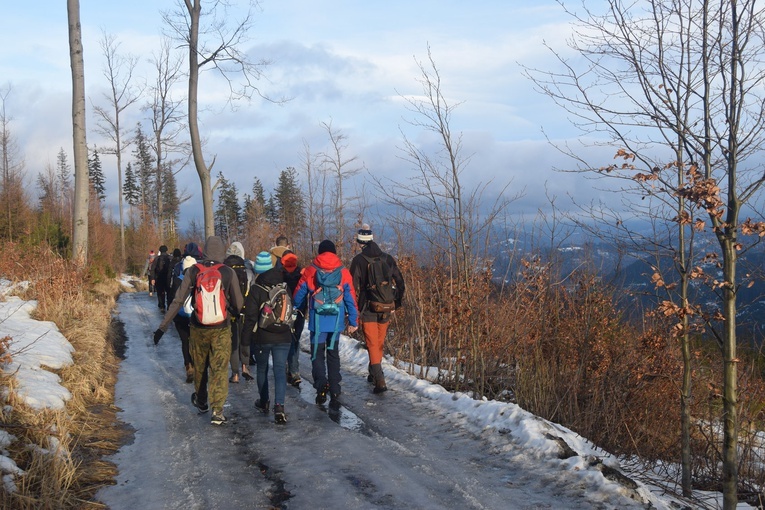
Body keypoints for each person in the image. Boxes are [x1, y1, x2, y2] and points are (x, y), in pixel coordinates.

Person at [153, 236, 244, 426]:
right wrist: (231, 312)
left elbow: (178, 300)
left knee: (201, 367)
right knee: (219, 369)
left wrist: (163, 327)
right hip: (221, 328)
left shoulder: (195, 270)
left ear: (205, 252)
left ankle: (202, 402)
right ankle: (217, 410)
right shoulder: (227, 272)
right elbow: (238, 303)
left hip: (198, 327)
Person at [293, 240, 359, 405]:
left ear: (319, 252)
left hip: (318, 321)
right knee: (333, 354)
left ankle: (321, 385)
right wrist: (353, 320)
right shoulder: (343, 272)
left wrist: (295, 308)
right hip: (336, 321)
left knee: (317, 355)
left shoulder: (311, 271)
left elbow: (299, 293)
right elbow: (351, 297)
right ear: (334, 253)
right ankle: (335, 389)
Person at [350, 224, 406, 394]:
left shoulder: (358, 261)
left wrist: (352, 309)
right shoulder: (388, 258)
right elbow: (400, 282)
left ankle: (379, 380)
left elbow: (352, 287)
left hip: (368, 307)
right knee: (379, 342)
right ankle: (373, 371)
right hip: (386, 307)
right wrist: (396, 302)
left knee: (373, 343)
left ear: (360, 242)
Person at [242, 251, 292, 424]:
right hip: (284, 335)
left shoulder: (256, 289)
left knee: (262, 369)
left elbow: (249, 319)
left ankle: (264, 402)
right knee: (279, 370)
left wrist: (245, 342)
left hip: (263, 336)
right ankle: (279, 406)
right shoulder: (284, 286)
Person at [168, 242, 204, 383]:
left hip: (180, 312)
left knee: (185, 341)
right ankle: (196, 365)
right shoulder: (199, 270)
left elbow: (171, 292)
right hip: (195, 313)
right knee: (195, 340)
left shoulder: (177, 269)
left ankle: (188, 366)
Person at [224, 241, 254, 383]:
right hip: (246, 312)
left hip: (229, 312)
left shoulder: (224, 272)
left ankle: (235, 373)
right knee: (245, 340)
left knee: (233, 342)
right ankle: (245, 366)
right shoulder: (248, 272)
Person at [282, 251, 305, 387]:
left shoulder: (280, 274)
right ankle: (294, 371)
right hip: (300, 311)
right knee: (296, 339)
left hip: (284, 311)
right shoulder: (302, 273)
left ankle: (289, 368)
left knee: (287, 339)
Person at [150, 245, 172, 312]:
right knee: (169, 292)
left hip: (159, 278)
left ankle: (162, 305)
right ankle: (169, 305)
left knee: (160, 292)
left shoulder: (157, 259)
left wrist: (152, 278)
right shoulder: (170, 258)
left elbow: (152, 269)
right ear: (166, 250)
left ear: (160, 250)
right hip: (168, 278)